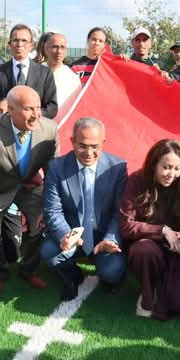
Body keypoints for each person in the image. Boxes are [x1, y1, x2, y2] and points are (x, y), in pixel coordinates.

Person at [0, 85, 59, 288]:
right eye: (28, 109)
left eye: (38, 108)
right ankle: (0, 272)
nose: (36, 115)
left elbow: (54, 174)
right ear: (11, 110)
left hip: (30, 188)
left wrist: (50, 207)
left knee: (47, 224)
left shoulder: (49, 129)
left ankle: (28, 270)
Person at [120, 139, 180, 320]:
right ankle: (147, 294)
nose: (172, 174)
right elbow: (126, 224)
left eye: (177, 168)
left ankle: (162, 287)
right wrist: (162, 230)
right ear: (154, 164)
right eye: (166, 167)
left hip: (178, 251)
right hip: (148, 247)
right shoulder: (136, 181)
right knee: (144, 250)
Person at [42, 118, 127, 301]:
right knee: (48, 252)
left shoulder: (118, 168)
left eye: (95, 146)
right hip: (74, 236)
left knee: (113, 273)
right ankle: (72, 275)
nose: (89, 152)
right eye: (82, 146)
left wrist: (110, 239)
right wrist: (65, 235)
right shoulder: (56, 167)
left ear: (103, 143)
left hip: (103, 237)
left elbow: (119, 212)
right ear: (72, 141)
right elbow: (53, 210)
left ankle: (108, 273)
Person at [0, 24, 57, 119]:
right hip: (5, 128)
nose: (20, 44)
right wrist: (4, 115)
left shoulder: (45, 73)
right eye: (16, 40)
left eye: (24, 40)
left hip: (34, 127)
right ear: (9, 44)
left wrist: (31, 116)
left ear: (31, 45)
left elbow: (52, 107)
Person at [44, 33, 81, 107]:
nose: (59, 51)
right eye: (55, 47)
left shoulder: (73, 78)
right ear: (46, 49)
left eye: (62, 47)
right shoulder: (35, 71)